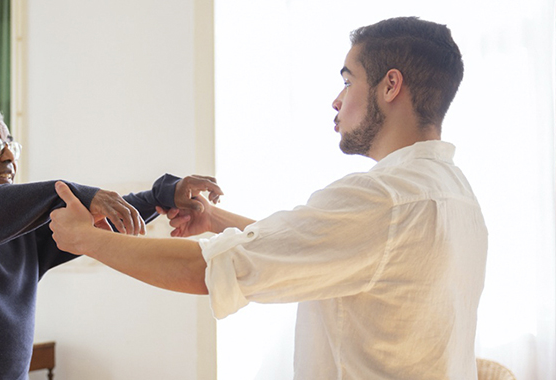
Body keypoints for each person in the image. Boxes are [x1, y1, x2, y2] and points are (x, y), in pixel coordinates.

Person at [49, 17, 488, 379]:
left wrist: (87, 239)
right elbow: (316, 247)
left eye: (348, 81)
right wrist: (215, 219)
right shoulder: (456, 195)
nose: (336, 100)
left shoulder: (383, 200)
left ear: (391, 85)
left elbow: (204, 270)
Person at [0, 102, 223, 380]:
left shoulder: (21, 232)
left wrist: (159, 196)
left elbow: (98, 219)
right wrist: (68, 193)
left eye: (11, 145)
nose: (8, 156)